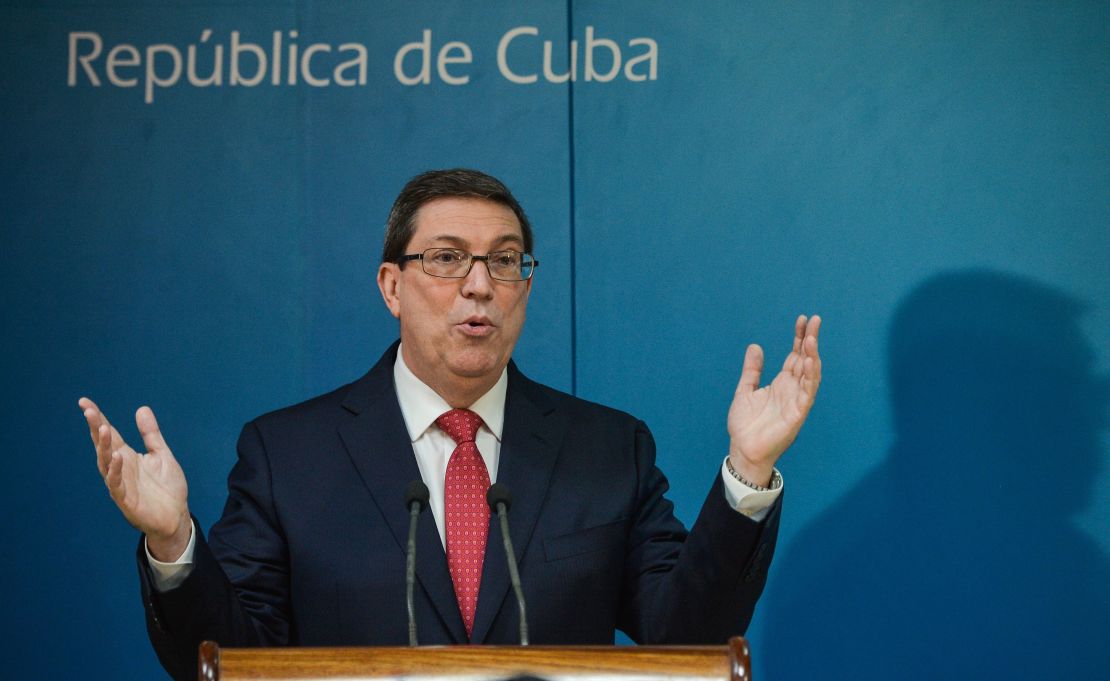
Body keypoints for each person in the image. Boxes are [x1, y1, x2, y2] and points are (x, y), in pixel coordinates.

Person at [79, 168, 822, 681]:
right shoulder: (288, 453)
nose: (480, 285)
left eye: (505, 262)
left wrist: (747, 473)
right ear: (391, 286)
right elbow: (231, 657)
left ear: (525, 288)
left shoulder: (606, 448)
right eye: (447, 259)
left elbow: (682, 636)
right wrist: (173, 542)